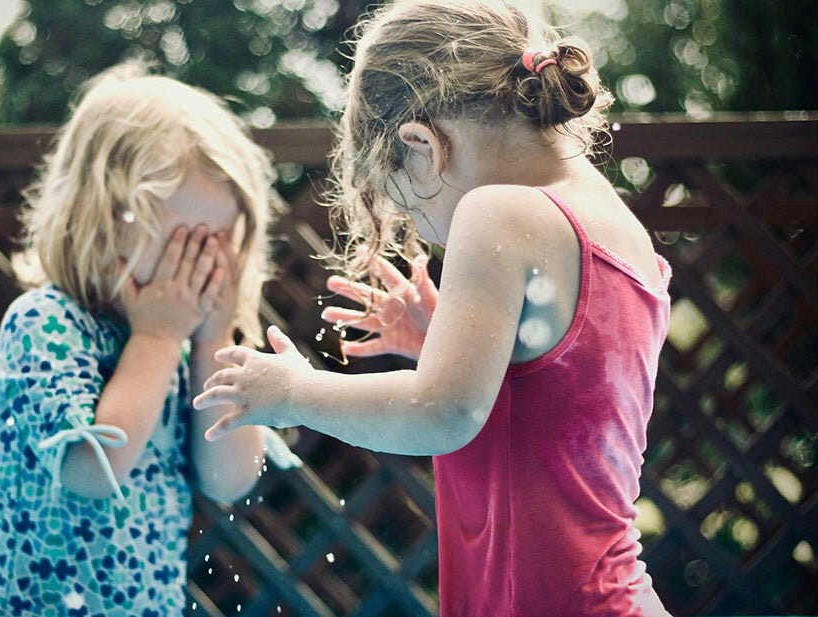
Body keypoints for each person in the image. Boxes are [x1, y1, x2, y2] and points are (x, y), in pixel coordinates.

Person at [193, 1, 673, 615]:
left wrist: (294, 393)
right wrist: (439, 343)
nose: (432, 232)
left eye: (415, 213)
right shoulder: (616, 228)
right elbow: (561, 400)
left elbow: (442, 413)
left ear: (420, 142)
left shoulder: (497, 210)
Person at [0, 61, 284, 615]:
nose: (202, 266)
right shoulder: (44, 324)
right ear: (101, 221)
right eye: (185, 243)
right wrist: (160, 338)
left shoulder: (192, 348)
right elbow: (92, 471)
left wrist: (213, 335)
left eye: (218, 244)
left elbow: (231, 480)